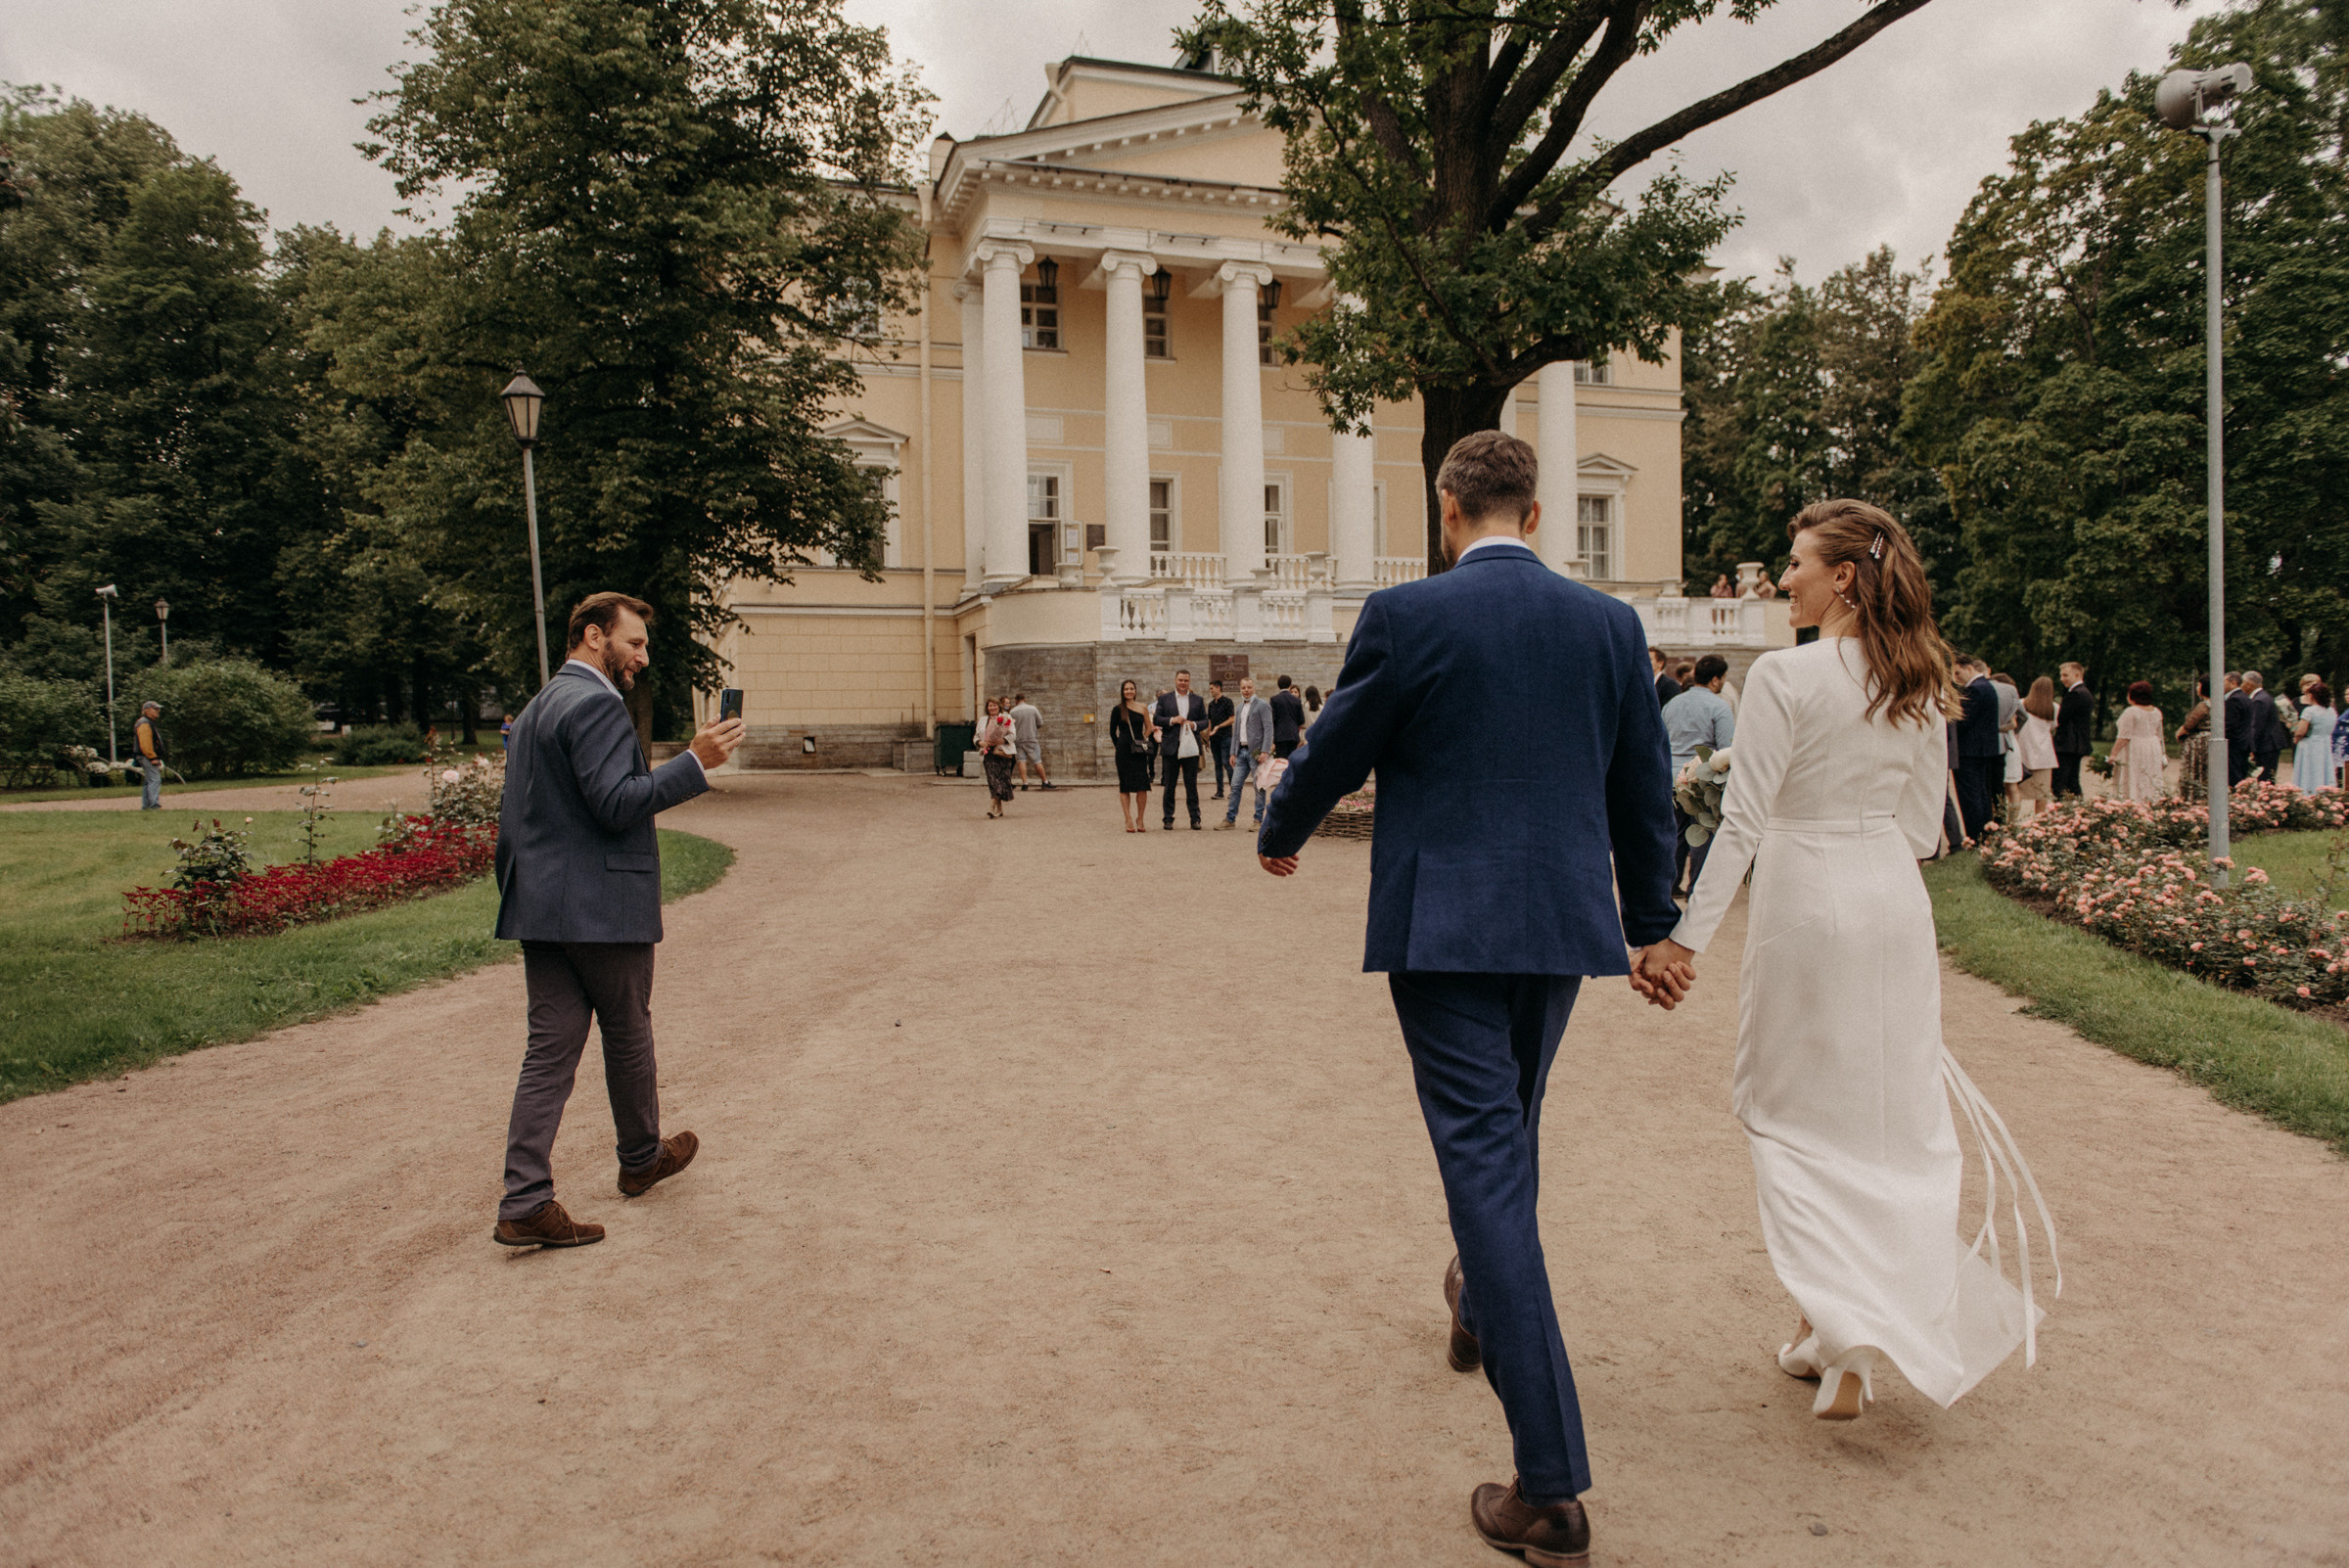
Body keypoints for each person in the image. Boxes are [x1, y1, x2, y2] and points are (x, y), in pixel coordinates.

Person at [1258, 431, 1681, 1563]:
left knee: (1488, 1163)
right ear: (1536, 515)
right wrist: (1651, 924)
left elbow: (1340, 743)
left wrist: (1279, 829)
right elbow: (1646, 790)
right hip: (1557, 928)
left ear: (1448, 512)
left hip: (1442, 929)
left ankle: (1549, 1487)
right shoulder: (1610, 626)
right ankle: (1474, 1296)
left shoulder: (1410, 617)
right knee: (1510, 1135)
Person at [1637, 498, 2057, 1427]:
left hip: (1808, 901)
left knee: (1786, 1107)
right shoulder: (1920, 676)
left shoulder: (1784, 675)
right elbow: (1921, 829)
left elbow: (1743, 824)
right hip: (1891, 906)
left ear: (1842, 578)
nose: (1778, 579)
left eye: (1793, 564)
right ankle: (1835, 1337)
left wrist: (1681, 940)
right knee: (1890, 1115)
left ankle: (1842, 1323)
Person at [490, 591, 745, 1249]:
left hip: (540, 907)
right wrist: (694, 764)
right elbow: (614, 804)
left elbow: (519, 816)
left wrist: (523, 894)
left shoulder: (539, 705)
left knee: (547, 1055)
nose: (642, 657)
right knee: (629, 1032)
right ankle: (640, 1160)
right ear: (595, 636)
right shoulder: (598, 703)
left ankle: (525, 1199)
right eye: (635, 643)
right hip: (601, 908)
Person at [1662, 654, 1735, 897]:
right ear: (1715, 680)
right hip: (1701, 779)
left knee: (1676, 835)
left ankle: (1670, 885)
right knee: (1701, 836)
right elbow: (1727, 748)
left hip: (1670, 777)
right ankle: (1697, 889)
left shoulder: (1672, 704)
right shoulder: (1719, 706)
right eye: (1723, 678)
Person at [1951, 655, 2004, 843]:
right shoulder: (1987, 687)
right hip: (1984, 749)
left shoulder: (1975, 690)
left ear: (1969, 668)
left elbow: (1963, 721)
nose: (1956, 678)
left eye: (1958, 672)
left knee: (1970, 794)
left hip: (1970, 750)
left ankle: (1975, 835)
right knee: (1981, 792)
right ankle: (1985, 831)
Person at [1155, 669, 1208, 829]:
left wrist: (1193, 725)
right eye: (1180, 680)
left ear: (1189, 681)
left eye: (1185, 680)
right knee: (1169, 784)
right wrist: (1172, 720)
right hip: (1171, 746)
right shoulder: (1165, 699)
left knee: (1191, 784)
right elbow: (1157, 718)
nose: (1183, 683)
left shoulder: (1197, 700)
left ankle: (1195, 819)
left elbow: (1205, 721)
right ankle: (1168, 818)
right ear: (1175, 680)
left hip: (1191, 747)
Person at [1219, 675, 1272, 832]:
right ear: (1240, 689)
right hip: (1241, 752)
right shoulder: (1239, 707)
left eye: (1249, 687)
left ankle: (1258, 820)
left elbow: (1269, 729)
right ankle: (1230, 819)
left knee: (1259, 787)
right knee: (1235, 786)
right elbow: (1236, 732)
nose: (1246, 690)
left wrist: (1265, 751)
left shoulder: (1263, 705)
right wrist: (1233, 752)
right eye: (1243, 688)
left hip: (1256, 753)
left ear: (1254, 688)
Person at [1109, 680, 1157, 832]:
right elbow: (1112, 731)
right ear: (1122, 691)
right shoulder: (1118, 709)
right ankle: (1128, 818)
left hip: (1139, 751)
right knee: (1125, 786)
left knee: (1142, 785)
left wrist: (1142, 739)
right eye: (1126, 689)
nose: (1129, 691)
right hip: (1123, 752)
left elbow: (1149, 727)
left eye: (1131, 689)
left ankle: (1140, 819)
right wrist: (1120, 747)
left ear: (1135, 691)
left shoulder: (1142, 707)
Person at [2109, 681, 2167, 800]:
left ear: (2132, 696)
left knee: (2134, 774)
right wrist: (2162, 752)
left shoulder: (2131, 712)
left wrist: (2113, 754)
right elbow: (2159, 735)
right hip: (2153, 747)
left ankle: (2134, 799)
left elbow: (2124, 736)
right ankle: (2151, 799)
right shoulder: (2156, 712)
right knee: (2149, 774)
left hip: (2136, 747)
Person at [2016, 676, 2058, 819]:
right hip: (2044, 755)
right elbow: (2053, 727)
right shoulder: (2054, 707)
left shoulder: (2021, 703)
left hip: (2024, 752)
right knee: (2042, 794)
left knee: (2017, 793)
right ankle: (2039, 823)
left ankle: (2012, 822)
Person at [2052, 662, 2093, 798]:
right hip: (2077, 743)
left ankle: (2061, 811)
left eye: (2065, 675)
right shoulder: (2085, 693)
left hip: (2067, 744)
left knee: (2060, 782)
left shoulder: (2075, 694)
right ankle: (2077, 809)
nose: (2062, 679)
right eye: (2061, 675)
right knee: (2072, 781)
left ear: (2077, 675)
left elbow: (2062, 718)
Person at [2293, 682, 2337, 793]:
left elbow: (2301, 731)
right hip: (2326, 742)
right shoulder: (2332, 711)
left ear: (2312, 695)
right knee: (2323, 768)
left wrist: (2296, 737)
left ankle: (2308, 792)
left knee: (2309, 770)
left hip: (2310, 744)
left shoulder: (2310, 711)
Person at [976, 697, 1017, 818]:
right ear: (987, 708)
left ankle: (994, 807)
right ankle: (994, 807)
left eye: (994, 705)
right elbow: (976, 736)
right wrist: (980, 743)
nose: (992, 708)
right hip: (988, 752)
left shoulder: (1006, 718)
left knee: (1001, 780)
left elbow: (1013, 734)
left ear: (999, 706)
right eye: (990, 706)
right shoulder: (983, 720)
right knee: (992, 780)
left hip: (1003, 752)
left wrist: (1002, 740)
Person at [2245, 670, 2288, 783]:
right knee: (2268, 776)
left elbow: (2257, 726)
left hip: (2266, 745)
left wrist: (2251, 747)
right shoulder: (2264, 697)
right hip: (2269, 744)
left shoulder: (2259, 700)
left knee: (2265, 778)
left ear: (2249, 683)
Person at [1990, 671, 2022, 815]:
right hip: (2011, 742)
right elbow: (2023, 717)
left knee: (2000, 786)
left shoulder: (2000, 701)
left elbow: (2014, 723)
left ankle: (2000, 815)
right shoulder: (2013, 699)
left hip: (2003, 742)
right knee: (2011, 786)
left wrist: (1996, 729)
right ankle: (2012, 820)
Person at [2176, 677, 2213, 800]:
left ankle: (2193, 795)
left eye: (2199, 685)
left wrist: (2179, 734)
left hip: (2200, 741)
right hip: (2211, 739)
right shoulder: (2219, 704)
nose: (2197, 688)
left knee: (2196, 769)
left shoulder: (2203, 706)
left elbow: (2189, 724)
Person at [1008, 692, 1052, 791]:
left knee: (1021, 761)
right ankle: (1045, 781)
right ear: (1024, 699)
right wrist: (1032, 728)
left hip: (1018, 739)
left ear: (1016, 700)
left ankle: (1025, 783)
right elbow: (1040, 723)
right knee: (1037, 760)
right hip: (1031, 738)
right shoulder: (1032, 709)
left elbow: (1010, 726)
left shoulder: (1012, 712)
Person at [1205, 679, 1235, 800]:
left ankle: (1234, 790)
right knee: (1217, 764)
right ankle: (1219, 791)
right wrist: (1208, 736)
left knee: (1227, 763)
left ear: (1218, 688)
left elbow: (1232, 719)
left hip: (1225, 737)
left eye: (1212, 688)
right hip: (1214, 739)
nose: (1210, 691)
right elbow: (1210, 721)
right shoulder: (1211, 704)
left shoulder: (1228, 702)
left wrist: (1219, 726)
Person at [2222, 671, 2253, 786]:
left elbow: (2230, 724)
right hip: (2243, 742)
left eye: (2224, 682)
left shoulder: (2234, 699)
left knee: (2234, 775)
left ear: (2233, 683)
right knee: (2241, 773)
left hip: (2235, 744)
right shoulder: (2244, 697)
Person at [132, 700, 164, 810]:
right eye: (155, 709)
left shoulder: (146, 722)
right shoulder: (145, 723)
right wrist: (152, 757)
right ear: (147, 711)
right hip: (146, 756)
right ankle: (153, 805)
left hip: (144, 756)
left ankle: (146, 805)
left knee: (149, 780)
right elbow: (145, 744)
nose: (158, 711)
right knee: (155, 780)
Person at [1268, 673, 1307, 760]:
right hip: (1293, 734)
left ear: (1278, 685)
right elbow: (1301, 720)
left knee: (1281, 761)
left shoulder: (1274, 699)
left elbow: (1273, 718)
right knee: (1292, 760)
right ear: (1290, 685)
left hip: (1280, 735)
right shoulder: (1296, 700)